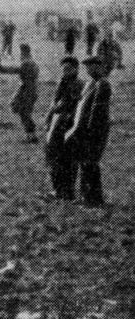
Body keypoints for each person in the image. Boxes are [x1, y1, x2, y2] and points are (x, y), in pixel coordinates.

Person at [64, 55, 112, 207]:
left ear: (99, 66)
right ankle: (86, 197)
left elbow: (97, 112)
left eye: (91, 66)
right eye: (87, 67)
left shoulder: (103, 84)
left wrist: (89, 131)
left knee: (90, 164)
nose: (88, 69)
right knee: (85, 163)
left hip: (95, 131)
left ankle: (94, 199)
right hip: (85, 130)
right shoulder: (91, 83)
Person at [44, 56, 84, 200]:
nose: (65, 72)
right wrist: (49, 118)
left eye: (68, 69)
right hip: (57, 122)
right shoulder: (62, 82)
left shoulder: (79, 84)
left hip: (69, 125)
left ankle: (67, 191)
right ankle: (57, 189)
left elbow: (78, 106)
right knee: (53, 156)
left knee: (68, 159)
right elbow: (55, 101)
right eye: (63, 69)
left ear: (76, 69)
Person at [8, 44, 40, 143]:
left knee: (24, 113)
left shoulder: (26, 62)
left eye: (21, 52)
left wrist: (0, 68)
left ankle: (32, 136)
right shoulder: (31, 62)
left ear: (24, 52)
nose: (20, 55)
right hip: (31, 90)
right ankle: (30, 136)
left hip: (27, 90)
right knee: (25, 113)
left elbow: (18, 71)